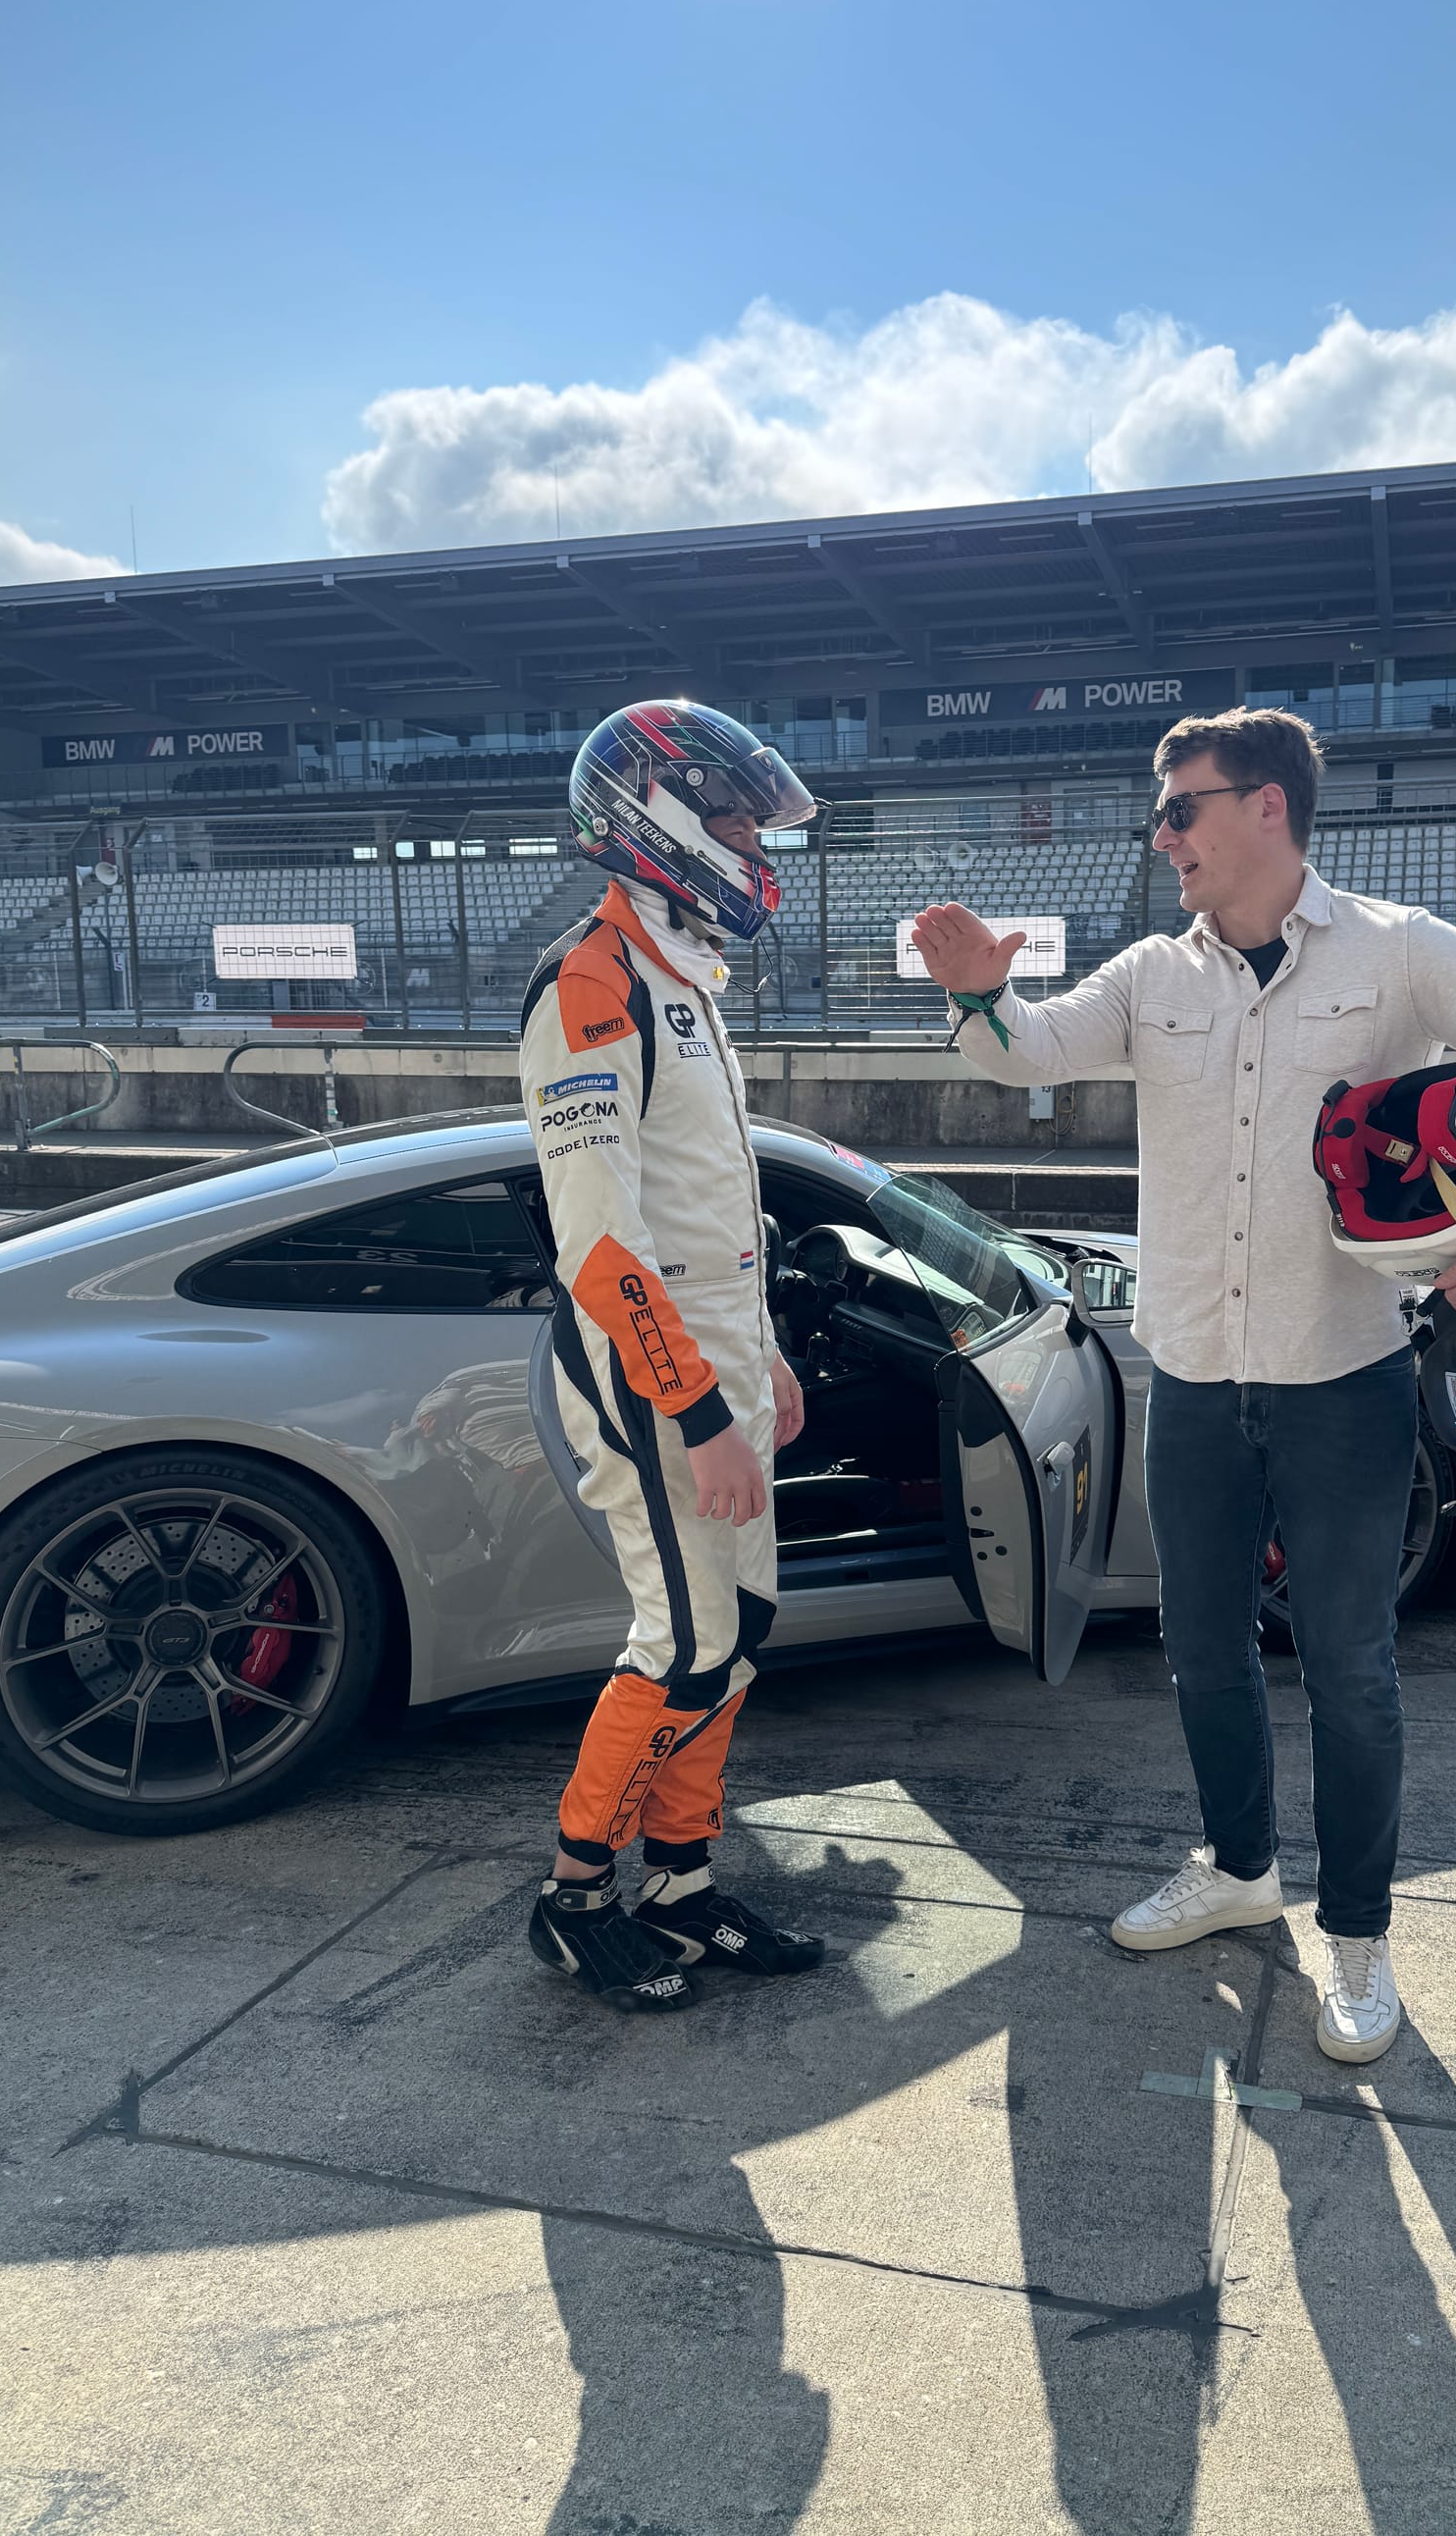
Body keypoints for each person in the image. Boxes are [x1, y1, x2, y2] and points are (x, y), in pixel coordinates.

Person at [910, 709, 1456, 2066]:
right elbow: (1028, 1050)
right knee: (1201, 1647)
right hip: (1190, 1377)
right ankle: (1239, 1866)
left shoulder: (1397, 951)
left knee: (1350, 1667)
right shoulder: (1151, 972)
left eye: (1179, 808)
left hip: (1342, 1378)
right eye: (1159, 813)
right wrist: (976, 994)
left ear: (1267, 808)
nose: (1161, 836)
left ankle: (1356, 1931)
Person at [521, 701, 826, 2012]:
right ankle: (573, 1896)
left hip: (721, 1362)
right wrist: (699, 1411)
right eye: (742, 819)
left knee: (737, 1637)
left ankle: (682, 1884)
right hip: (651, 1380)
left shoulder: (682, 975)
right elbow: (603, 1246)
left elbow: (712, 1217)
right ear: (658, 812)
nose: (759, 846)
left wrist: (765, 1359)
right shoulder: (590, 983)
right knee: (685, 1645)